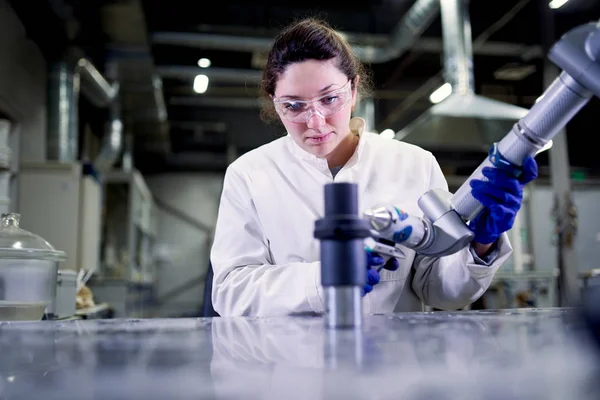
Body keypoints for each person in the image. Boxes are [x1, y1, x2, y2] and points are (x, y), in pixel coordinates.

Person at [209, 17, 538, 317]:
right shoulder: (250, 174)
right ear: (274, 104)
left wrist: (481, 246)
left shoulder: (414, 164)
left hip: (395, 369)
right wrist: (324, 278)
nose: (316, 121)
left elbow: (439, 291)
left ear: (352, 91)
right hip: (296, 370)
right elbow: (230, 292)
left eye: (329, 99)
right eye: (294, 106)